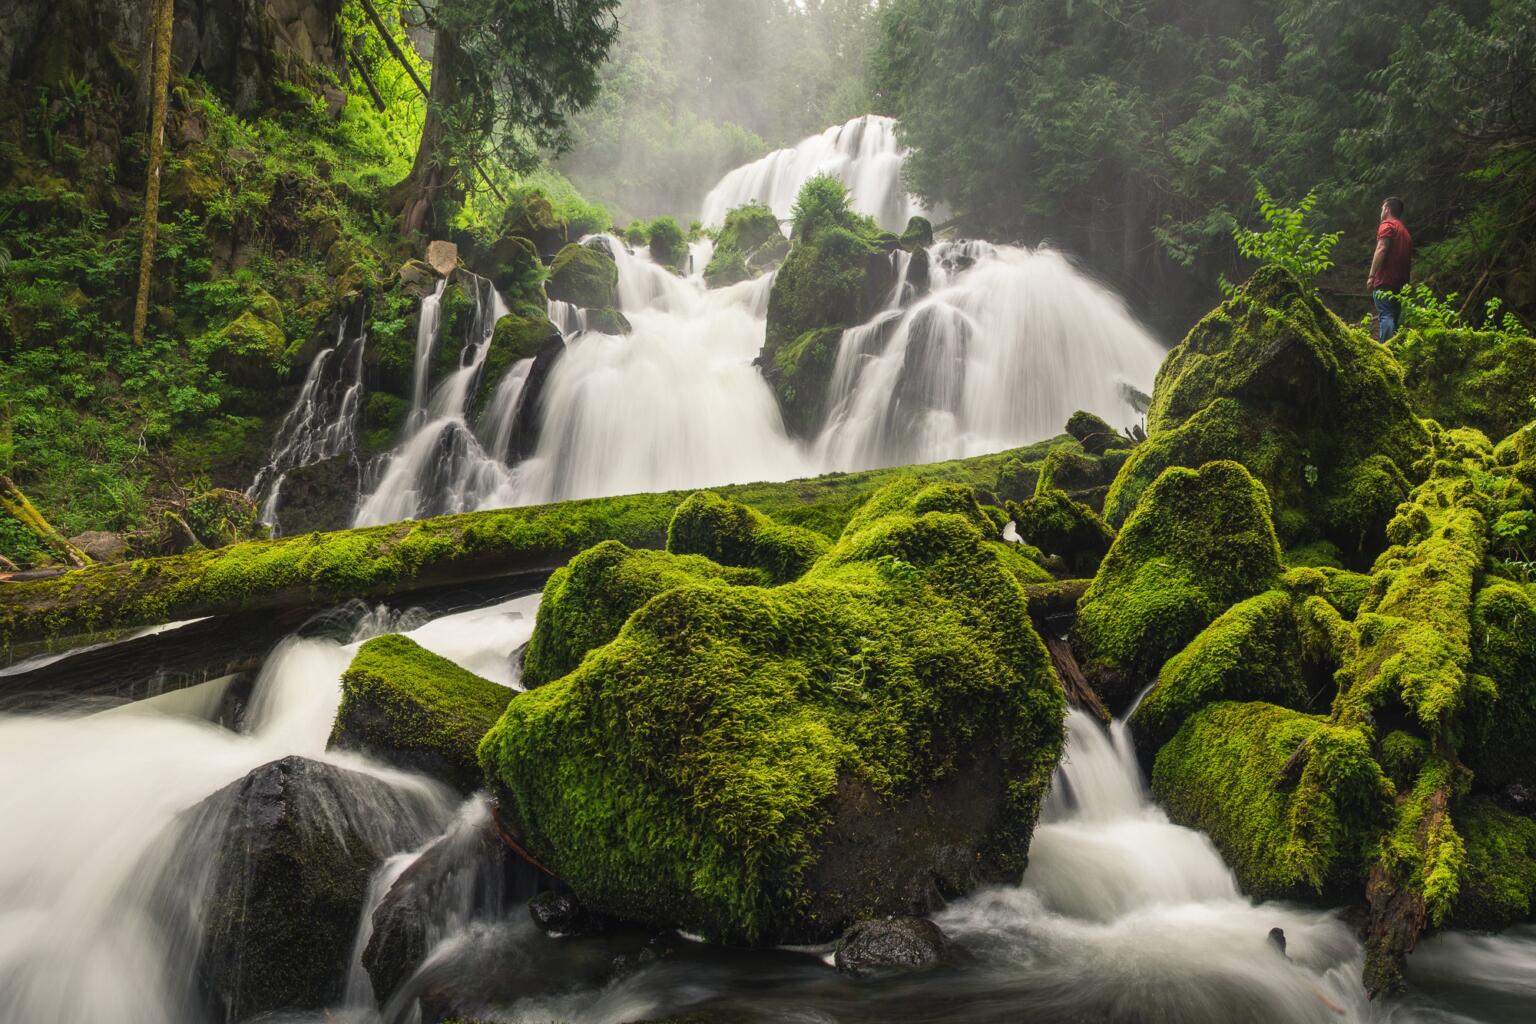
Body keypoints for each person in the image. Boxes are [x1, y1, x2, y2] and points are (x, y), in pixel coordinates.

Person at [1367, 197, 1413, 341]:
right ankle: (1396, 350)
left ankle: (1385, 352)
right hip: (1401, 283)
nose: (1381, 212)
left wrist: (1371, 276)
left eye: (1382, 208)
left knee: (1386, 315)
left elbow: (1381, 248)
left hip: (1385, 280)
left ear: (1387, 209)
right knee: (1395, 317)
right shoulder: (1405, 232)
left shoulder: (1387, 225)